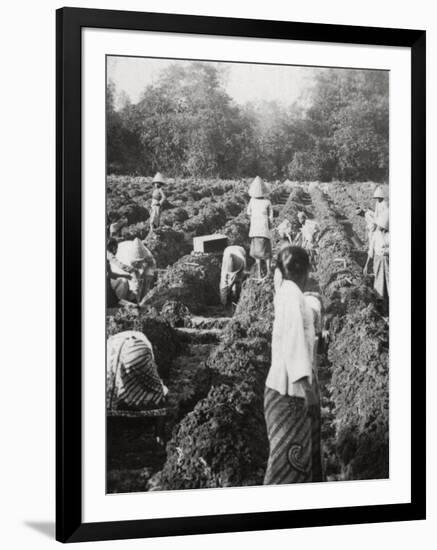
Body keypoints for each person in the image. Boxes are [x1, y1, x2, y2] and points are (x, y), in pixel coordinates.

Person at [264, 245, 323, 485]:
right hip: (289, 392)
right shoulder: (292, 296)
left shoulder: (288, 292)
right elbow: (295, 342)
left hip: (288, 387)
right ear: (303, 271)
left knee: (292, 462)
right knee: (286, 466)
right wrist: (308, 391)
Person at [107, 330, 169, 412]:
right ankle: (158, 417)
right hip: (136, 350)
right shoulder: (142, 341)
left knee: (122, 385)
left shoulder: (114, 339)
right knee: (157, 391)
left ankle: (121, 407)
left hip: (113, 352)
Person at [109, 238, 156, 305]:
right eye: (137, 263)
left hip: (131, 265)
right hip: (116, 269)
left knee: (147, 277)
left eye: (140, 262)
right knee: (124, 283)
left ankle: (138, 301)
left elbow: (152, 266)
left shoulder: (147, 254)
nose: (139, 264)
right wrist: (135, 298)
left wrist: (144, 296)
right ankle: (121, 304)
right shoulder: (126, 260)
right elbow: (134, 280)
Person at [247, 176, 273, 280]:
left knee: (257, 253)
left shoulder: (252, 201)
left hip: (255, 230)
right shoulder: (267, 202)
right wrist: (269, 226)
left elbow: (248, 213)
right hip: (264, 230)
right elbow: (271, 217)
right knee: (267, 252)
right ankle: (269, 271)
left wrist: (253, 220)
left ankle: (259, 273)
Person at [363, 208, 389, 304]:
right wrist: (366, 265)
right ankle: (381, 300)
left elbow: (371, 251)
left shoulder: (387, 236)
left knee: (384, 279)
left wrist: (367, 264)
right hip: (380, 259)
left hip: (384, 259)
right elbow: (371, 251)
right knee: (380, 279)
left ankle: (384, 299)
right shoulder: (377, 235)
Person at [106, 238, 130, 305]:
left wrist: (124, 275)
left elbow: (110, 275)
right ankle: (115, 303)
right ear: (114, 248)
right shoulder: (108, 254)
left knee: (122, 280)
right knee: (124, 282)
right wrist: (132, 270)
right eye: (116, 248)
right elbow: (119, 264)